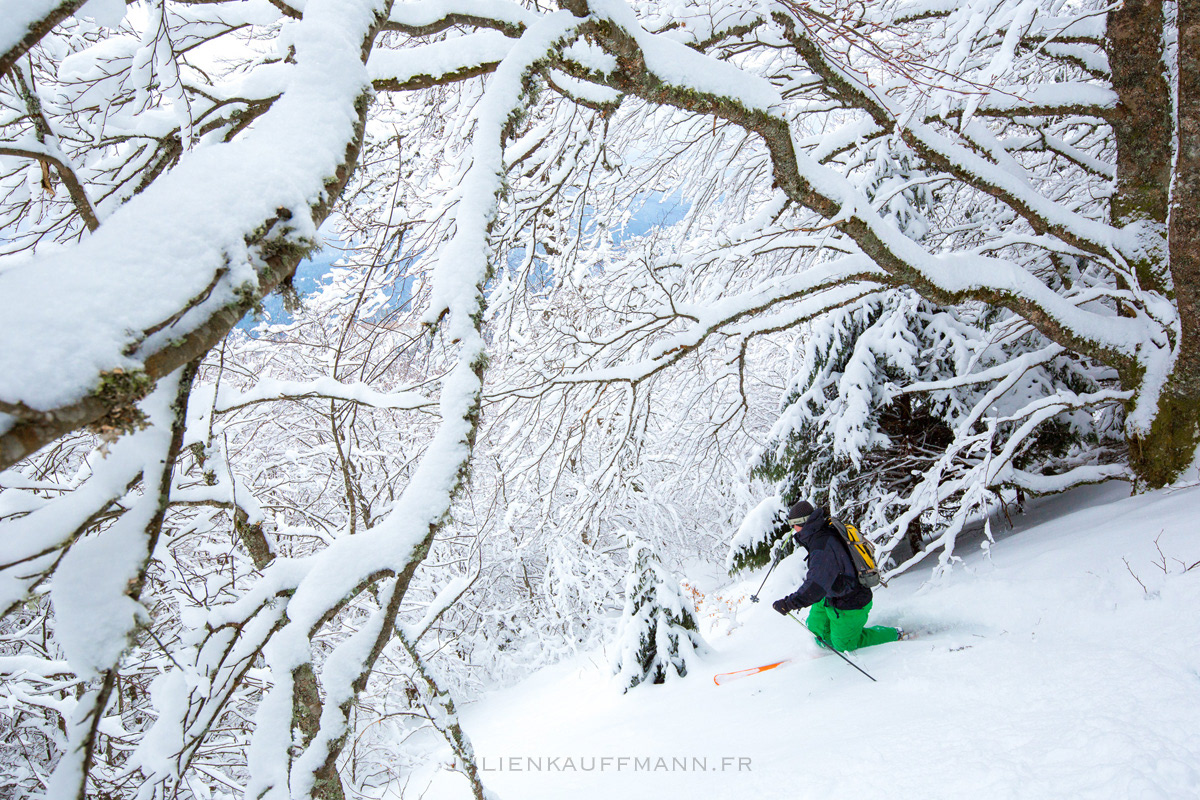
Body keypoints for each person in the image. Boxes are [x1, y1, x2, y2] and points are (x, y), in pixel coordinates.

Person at [771, 499, 904, 651]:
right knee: (816, 629)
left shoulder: (822, 546)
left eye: (792, 524)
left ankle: (894, 634)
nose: (792, 529)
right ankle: (833, 639)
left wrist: (788, 604)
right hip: (832, 594)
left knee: (844, 645)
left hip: (850, 600)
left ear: (802, 523)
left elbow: (815, 587)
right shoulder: (820, 530)